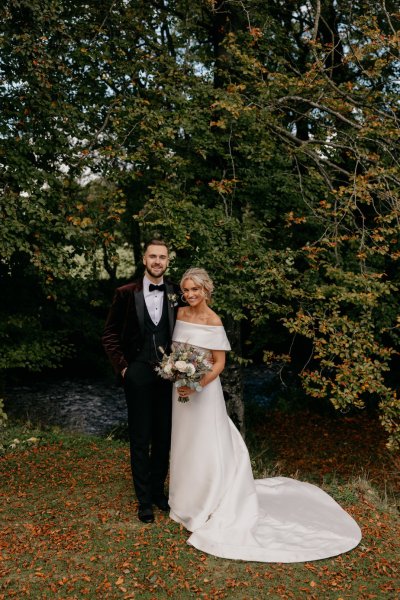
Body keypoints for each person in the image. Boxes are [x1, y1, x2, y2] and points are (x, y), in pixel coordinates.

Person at [168, 267, 362, 562]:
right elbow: (176, 352)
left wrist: (195, 385)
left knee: (205, 441)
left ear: (207, 290)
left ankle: (208, 501)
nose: (190, 294)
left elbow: (218, 364)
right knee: (183, 442)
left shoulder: (214, 320)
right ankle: (183, 502)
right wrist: (176, 375)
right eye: (186, 290)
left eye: (195, 289)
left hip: (203, 391)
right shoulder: (180, 315)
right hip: (180, 389)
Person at [102, 239, 181, 524]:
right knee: (140, 436)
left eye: (162, 257)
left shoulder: (176, 292)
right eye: (153, 256)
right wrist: (124, 369)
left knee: (164, 436)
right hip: (137, 373)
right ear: (144, 259)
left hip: (170, 375)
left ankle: (159, 493)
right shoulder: (125, 294)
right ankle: (144, 500)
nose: (158, 261)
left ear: (167, 261)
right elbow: (109, 334)